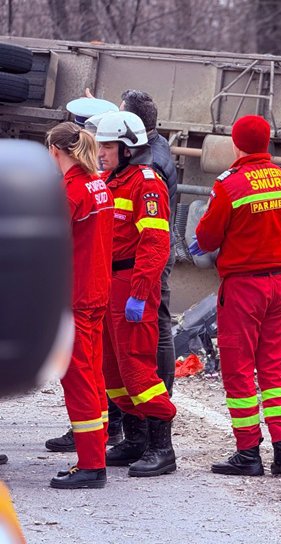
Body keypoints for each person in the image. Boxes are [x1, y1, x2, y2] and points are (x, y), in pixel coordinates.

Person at [191, 115, 281, 476]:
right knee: (273, 370)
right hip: (280, 283)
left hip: (243, 287)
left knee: (238, 370)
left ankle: (248, 452)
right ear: (267, 142)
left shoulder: (230, 185)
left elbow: (207, 239)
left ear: (236, 144)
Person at [95, 111, 177, 477]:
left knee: (138, 369)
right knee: (112, 369)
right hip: (109, 285)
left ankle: (162, 448)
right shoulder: (111, 181)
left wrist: (141, 294)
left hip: (132, 284)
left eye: (108, 146)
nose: (100, 151)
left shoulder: (146, 183)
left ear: (128, 149)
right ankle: (134, 439)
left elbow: (156, 243)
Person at [44, 123, 114, 489]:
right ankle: (96, 453)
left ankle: (90, 464)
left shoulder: (70, 192)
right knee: (94, 375)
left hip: (74, 296)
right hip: (96, 290)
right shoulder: (98, 184)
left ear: (56, 150)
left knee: (78, 378)